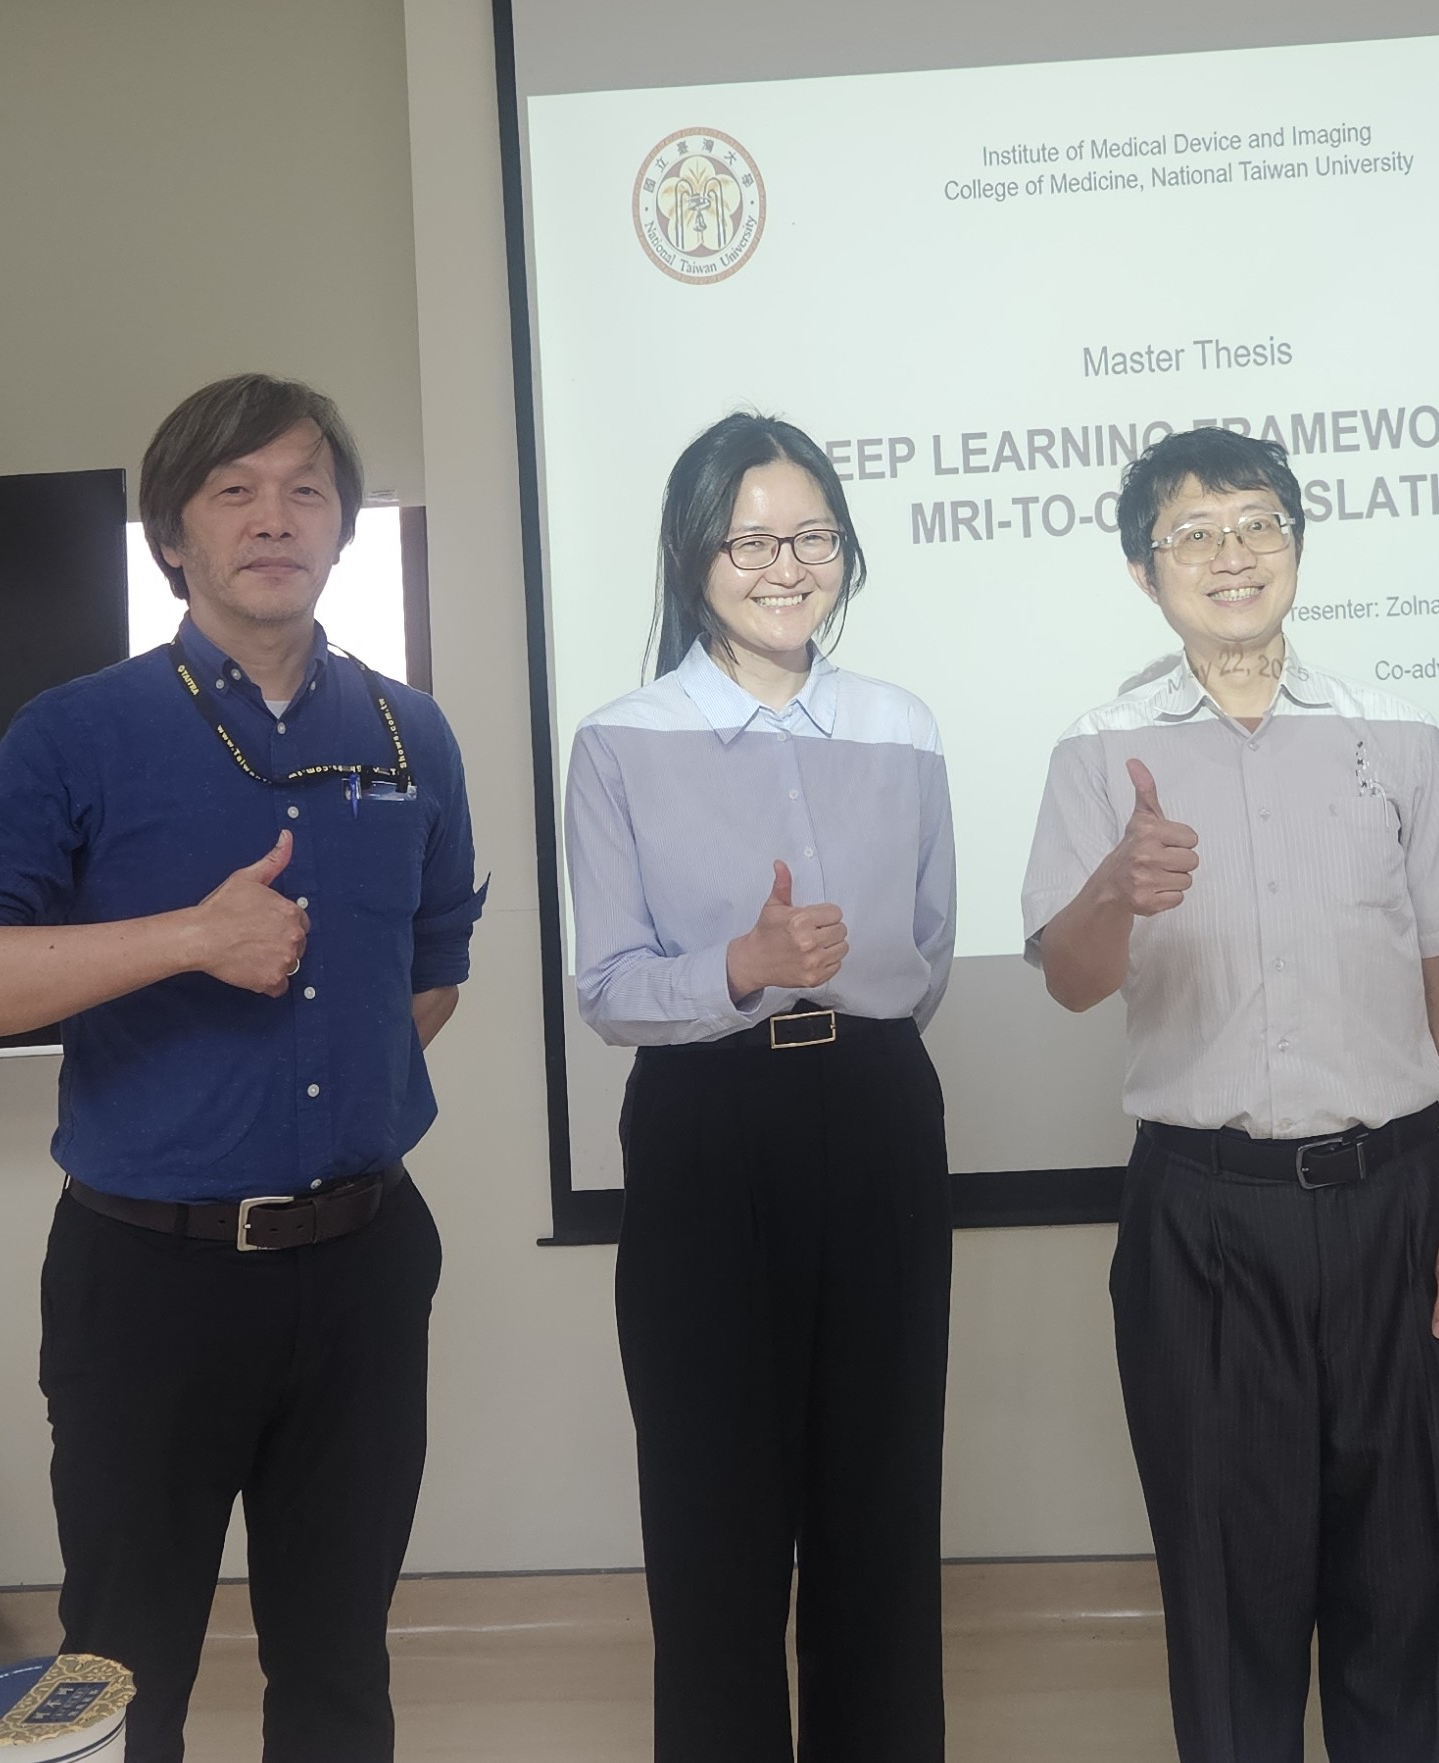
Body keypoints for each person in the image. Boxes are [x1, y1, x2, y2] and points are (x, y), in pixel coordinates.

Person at [0, 374, 483, 1763]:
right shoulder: (77, 731)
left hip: (362, 1265)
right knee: (117, 1678)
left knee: (340, 1668)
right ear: (175, 537)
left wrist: (320, 1096)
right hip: (148, 1284)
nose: (274, 518)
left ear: (343, 527)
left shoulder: (412, 735)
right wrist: (189, 940)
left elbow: (435, 970)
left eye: (305, 490)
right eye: (236, 491)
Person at [1021, 426, 1439, 1763]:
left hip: (1401, 1210)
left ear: (1297, 543)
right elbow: (1070, 981)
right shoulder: (1100, 748)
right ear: (1143, 572)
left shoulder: (1397, 737)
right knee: (1230, 1603)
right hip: (1206, 1222)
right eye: (1193, 534)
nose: (1230, 554)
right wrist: (1117, 887)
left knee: (1408, 1589)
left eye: (1257, 524)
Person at [564, 413, 956, 1763]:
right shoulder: (620, 738)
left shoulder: (902, 728)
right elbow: (611, 986)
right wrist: (742, 966)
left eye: (813, 536)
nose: (787, 565)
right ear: (695, 554)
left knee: (883, 1513)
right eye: (751, 538)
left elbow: (928, 948)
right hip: (706, 1129)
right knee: (713, 1526)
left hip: (881, 1117)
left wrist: (837, 1005)